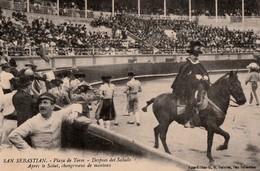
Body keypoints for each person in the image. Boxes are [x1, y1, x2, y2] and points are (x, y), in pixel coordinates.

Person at [8, 92, 91, 151]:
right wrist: (29, 151)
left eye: (45, 103)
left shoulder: (58, 115)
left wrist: (74, 113)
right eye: (40, 103)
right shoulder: (33, 121)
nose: (42, 106)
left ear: (52, 106)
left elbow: (76, 105)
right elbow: (13, 135)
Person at [171, 41, 210, 128]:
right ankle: (187, 120)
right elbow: (182, 78)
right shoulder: (185, 65)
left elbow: (205, 73)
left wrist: (205, 77)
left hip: (200, 86)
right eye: (194, 55)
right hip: (187, 87)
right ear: (190, 55)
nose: (196, 57)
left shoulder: (199, 64)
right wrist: (194, 77)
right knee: (192, 100)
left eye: (197, 55)